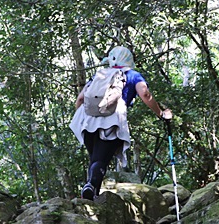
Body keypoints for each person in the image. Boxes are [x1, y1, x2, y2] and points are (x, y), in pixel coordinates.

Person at [69, 46, 173, 200]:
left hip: (87, 119)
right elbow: (144, 93)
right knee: (101, 160)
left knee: (95, 158)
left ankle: (91, 196)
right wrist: (161, 113)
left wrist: (85, 117)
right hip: (113, 119)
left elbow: (80, 99)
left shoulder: (100, 75)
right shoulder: (133, 75)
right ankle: (91, 187)